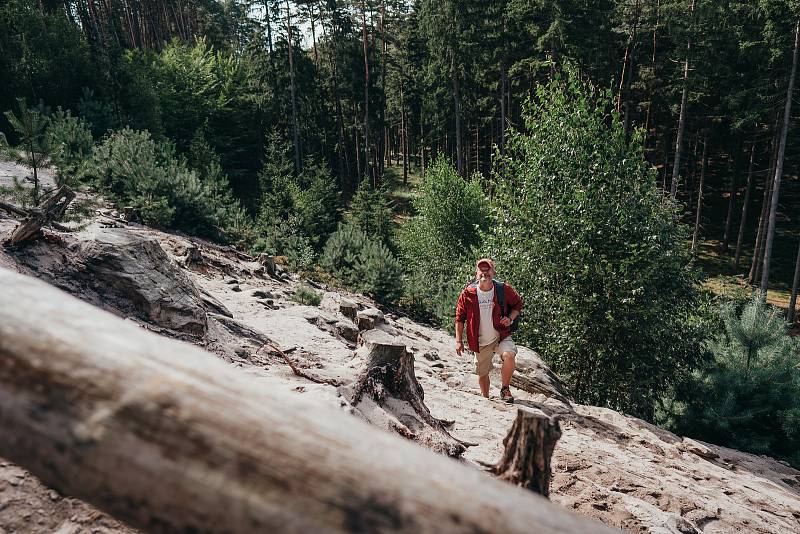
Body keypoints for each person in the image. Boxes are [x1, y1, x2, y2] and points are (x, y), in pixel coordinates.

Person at [455, 258, 523, 403]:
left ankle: (505, 389)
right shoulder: (468, 293)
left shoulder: (502, 289)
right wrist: (458, 341)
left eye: (488, 270)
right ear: (476, 273)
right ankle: (485, 399)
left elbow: (518, 304)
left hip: (501, 335)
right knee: (482, 373)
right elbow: (460, 318)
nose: (484, 273)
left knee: (509, 355)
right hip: (480, 341)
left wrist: (510, 318)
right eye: (481, 270)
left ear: (493, 272)